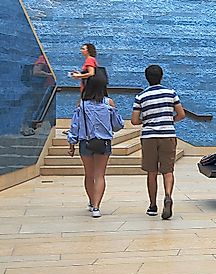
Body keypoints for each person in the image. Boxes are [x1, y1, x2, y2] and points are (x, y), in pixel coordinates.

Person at [131, 64, 185, 219]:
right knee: (168, 170)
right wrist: (169, 120)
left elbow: (134, 120)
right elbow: (181, 114)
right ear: (161, 76)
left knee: (151, 172)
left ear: (146, 77)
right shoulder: (171, 93)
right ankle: (168, 195)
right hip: (168, 134)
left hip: (148, 137)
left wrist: (147, 120)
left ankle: (153, 205)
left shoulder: (141, 96)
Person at [66, 74, 124, 218]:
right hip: (103, 143)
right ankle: (97, 207)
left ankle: (92, 202)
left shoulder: (82, 104)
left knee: (89, 174)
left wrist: (71, 143)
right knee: (100, 175)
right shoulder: (108, 103)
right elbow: (118, 125)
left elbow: (75, 125)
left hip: (85, 142)